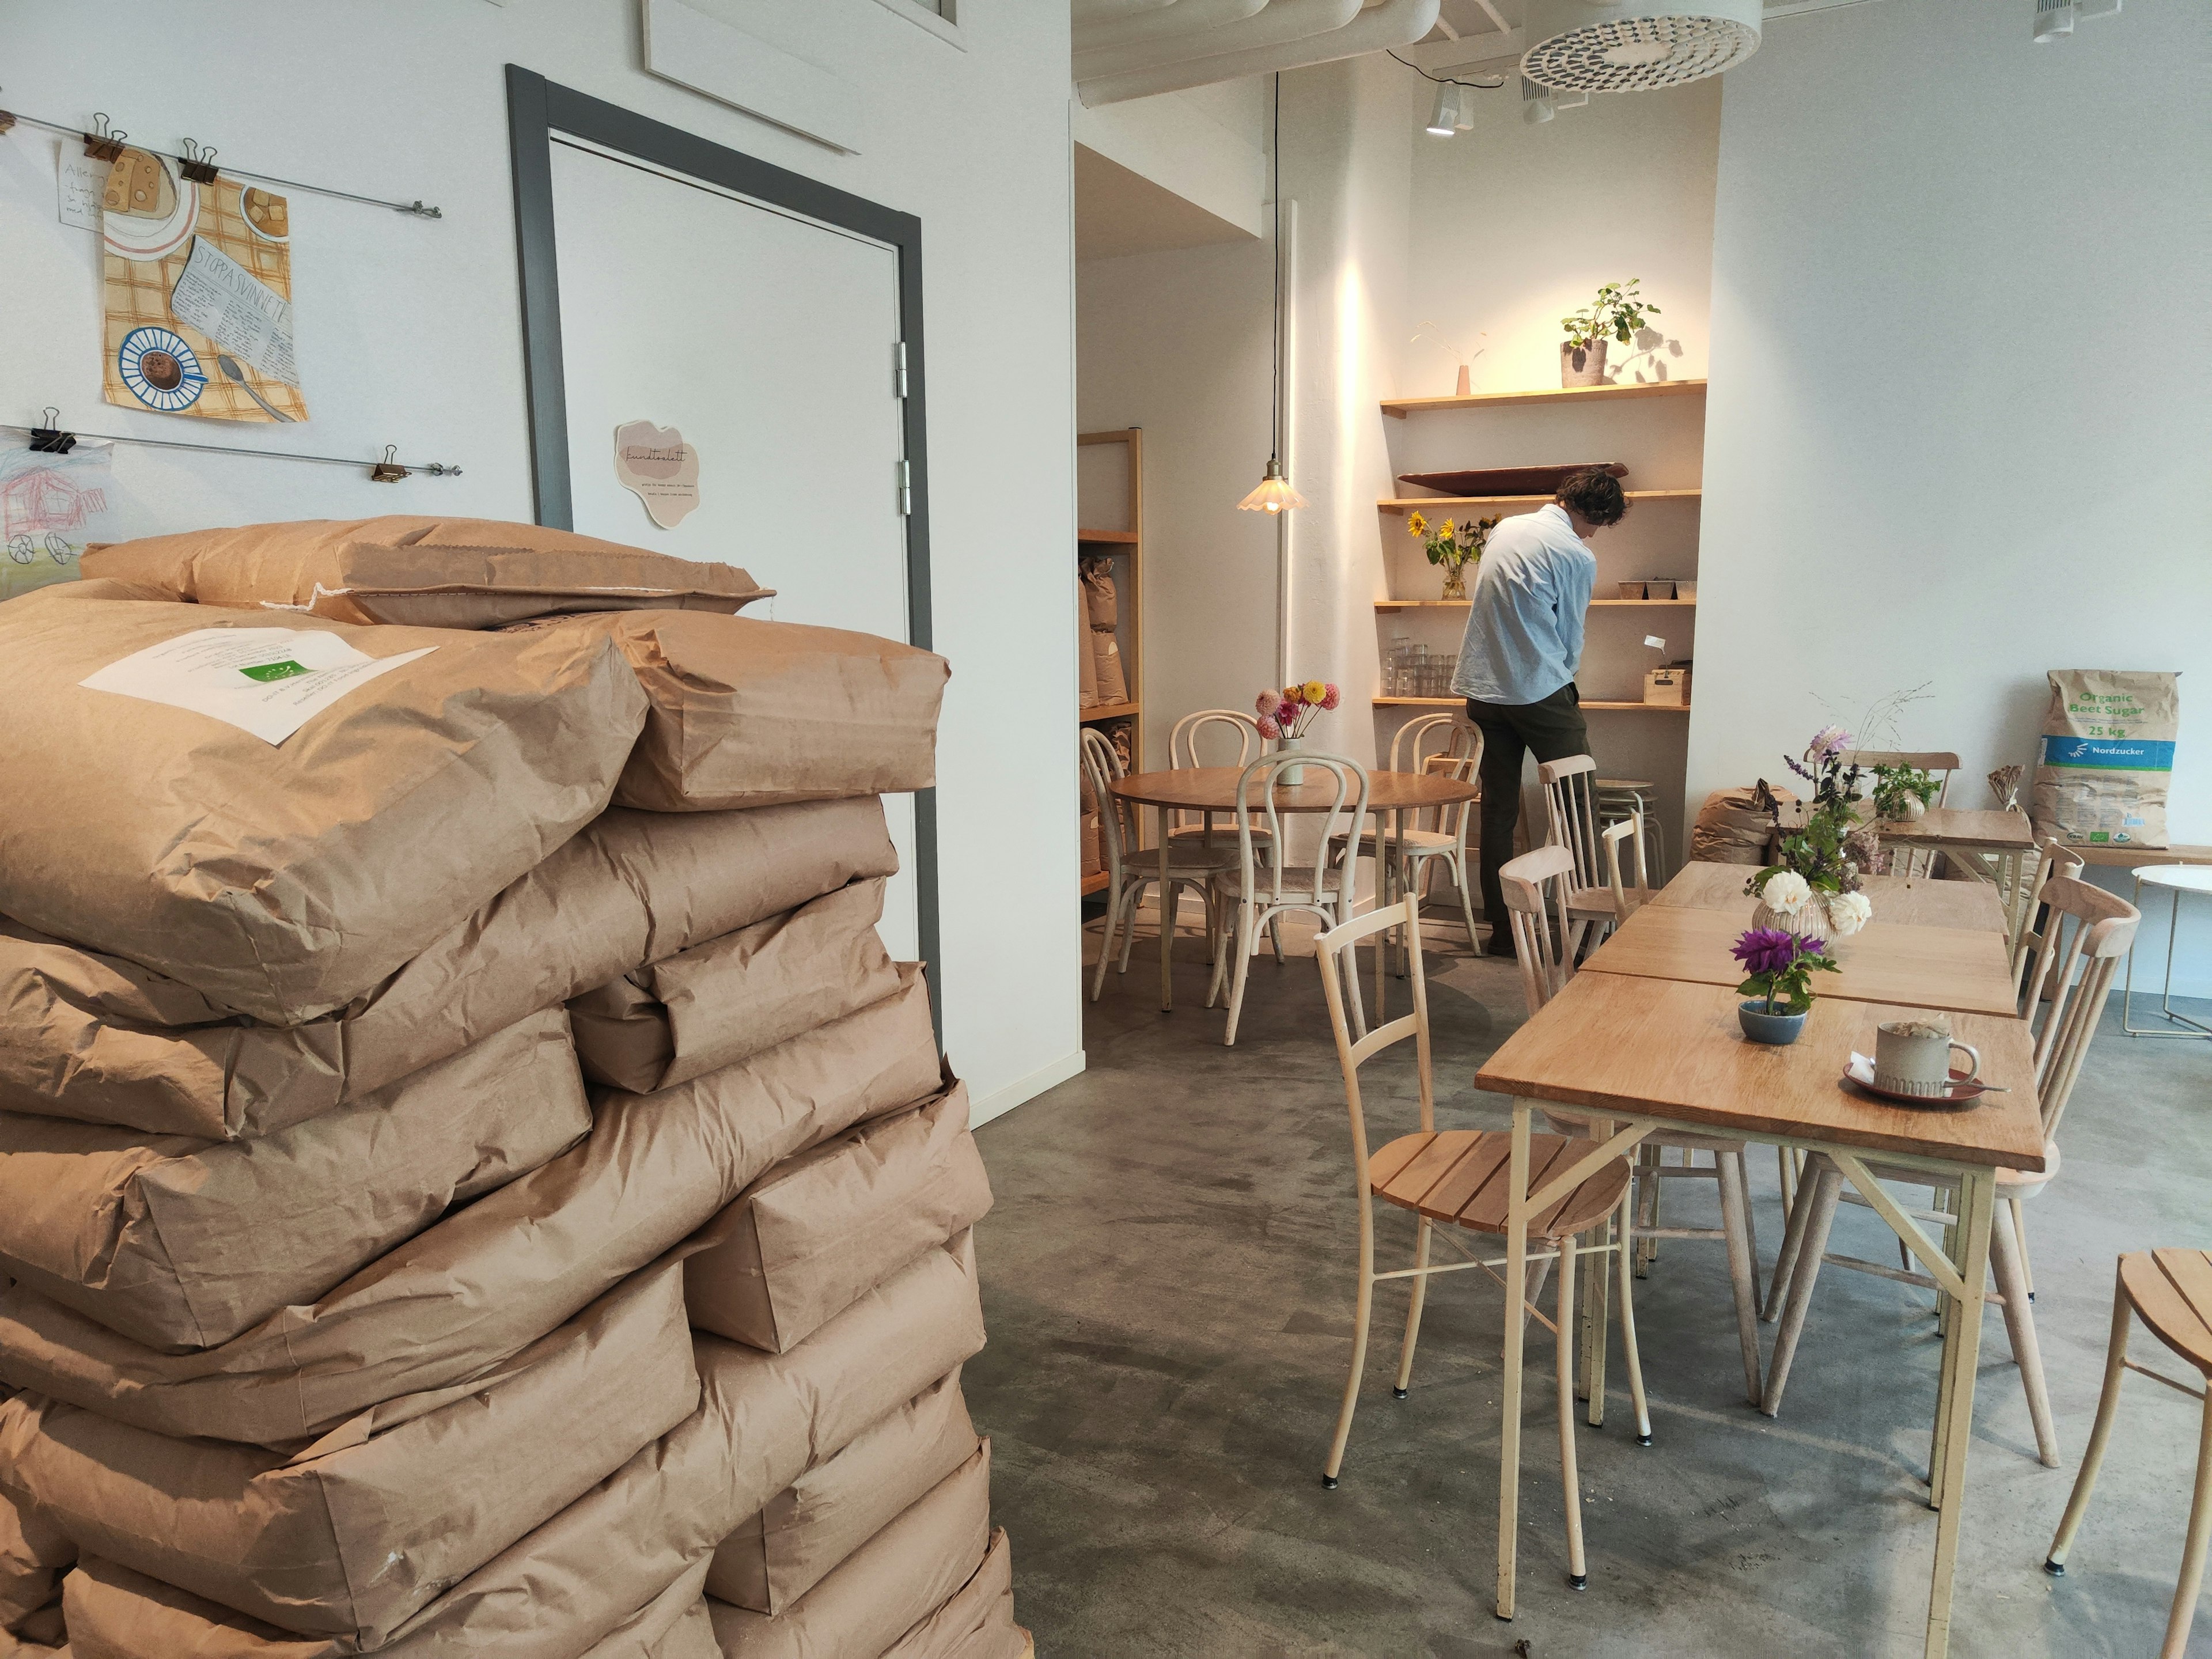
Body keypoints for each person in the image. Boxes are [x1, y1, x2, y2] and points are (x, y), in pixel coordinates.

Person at [1449, 467, 1628, 956]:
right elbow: (1570, 634)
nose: (1596, 533)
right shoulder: (1576, 553)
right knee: (1577, 805)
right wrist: (1566, 683)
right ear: (1595, 514)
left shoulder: (1507, 528)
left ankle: (1504, 931)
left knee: (1499, 810)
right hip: (1539, 690)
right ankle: (1588, 928)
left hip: (1484, 689)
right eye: (1600, 523)